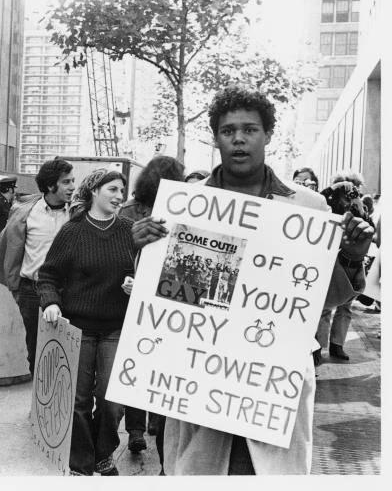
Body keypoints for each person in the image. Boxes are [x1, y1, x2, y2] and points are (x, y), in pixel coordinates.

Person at [133, 86, 374, 475]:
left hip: (272, 382)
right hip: (201, 376)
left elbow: (320, 298)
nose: (239, 138)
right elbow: (169, 301)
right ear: (216, 138)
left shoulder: (306, 207)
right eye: (228, 131)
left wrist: (351, 256)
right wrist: (145, 251)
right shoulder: (185, 205)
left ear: (268, 135)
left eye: (250, 129)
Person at [38, 169, 137, 476]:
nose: (120, 196)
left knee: (111, 401)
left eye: (122, 190)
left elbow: (154, 274)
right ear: (94, 191)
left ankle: (103, 451)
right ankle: (82, 461)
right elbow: (48, 275)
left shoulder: (131, 231)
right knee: (78, 400)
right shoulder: (73, 231)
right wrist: (51, 302)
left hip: (116, 328)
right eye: (113, 189)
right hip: (77, 329)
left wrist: (138, 284)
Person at [118, 155, 184, 465]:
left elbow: (119, 253)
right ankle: (156, 423)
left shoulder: (129, 210)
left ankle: (135, 430)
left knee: (139, 363)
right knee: (161, 366)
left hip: (135, 300)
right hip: (168, 302)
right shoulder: (183, 209)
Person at [0, 159, 76, 377]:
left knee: (68, 352)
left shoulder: (76, 213)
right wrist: (17, 288)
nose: (72, 187)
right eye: (66, 182)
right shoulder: (26, 212)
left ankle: (64, 408)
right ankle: (40, 406)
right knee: (37, 350)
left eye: (73, 181)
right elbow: (9, 247)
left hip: (70, 292)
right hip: (31, 292)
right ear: (50, 186)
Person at [315, 171, 370, 362]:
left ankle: (337, 344)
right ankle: (318, 347)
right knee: (323, 305)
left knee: (345, 306)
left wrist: (357, 202)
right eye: (350, 186)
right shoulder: (329, 197)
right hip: (330, 255)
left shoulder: (358, 202)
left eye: (355, 186)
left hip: (351, 258)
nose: (353, 190)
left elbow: (366, 222)